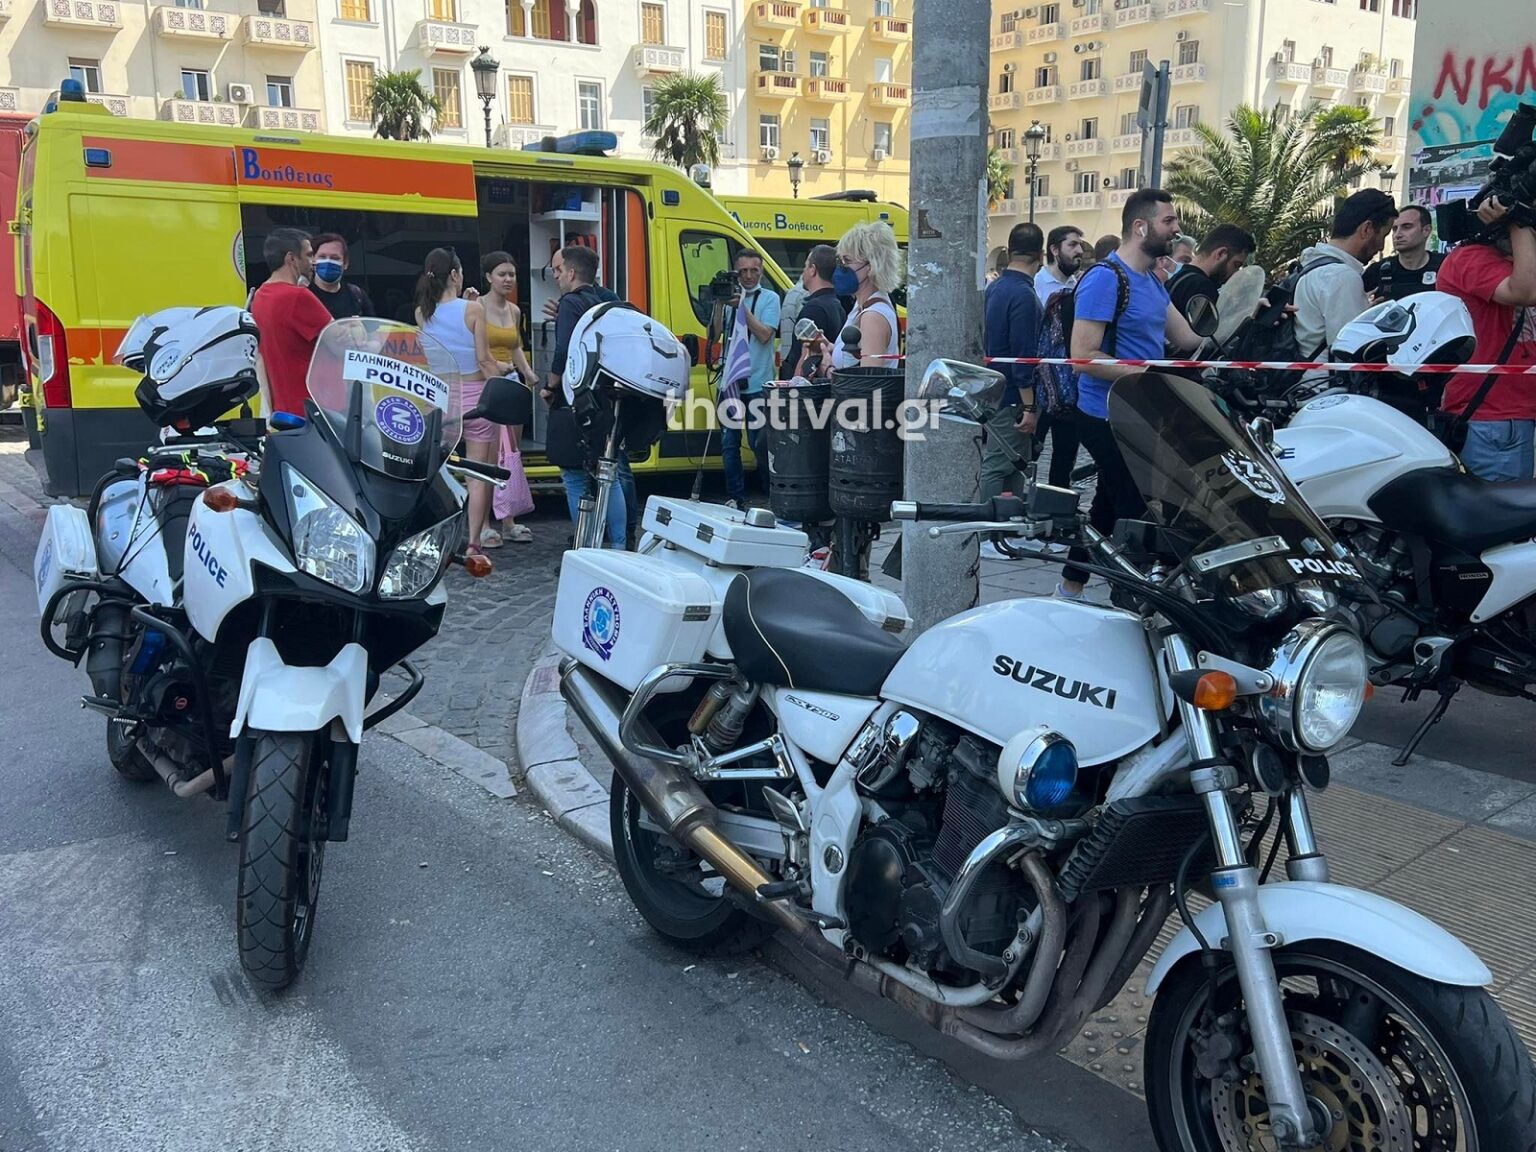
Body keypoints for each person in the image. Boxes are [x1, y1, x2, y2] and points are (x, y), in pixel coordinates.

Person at [1060, 189, 1206, 600]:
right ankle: (1132, 600)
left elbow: (1188, 338)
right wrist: (1149, 373)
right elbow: (1083, 356)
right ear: (1140, 227)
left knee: (1107, 505)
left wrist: (1249, 310)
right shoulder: (1105, 279)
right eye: (1168, 221)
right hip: (1104, 414)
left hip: (1139, 412)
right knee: (1137, 512)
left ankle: (1070, 588)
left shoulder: (1151, 281)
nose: (1176, 228)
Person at [1436, 197, 1536, 481]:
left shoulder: (1518, 261)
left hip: (1515, 416)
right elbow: (1525, 292)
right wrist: (1519, 221)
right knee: (1507, 509)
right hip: (1494, 421)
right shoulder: (1470, 257)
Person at [543, 243, 634, 547]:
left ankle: (584, 548)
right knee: (608, 475)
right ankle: (619, 545)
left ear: (571, 273)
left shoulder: (570, 303)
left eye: (559, 271)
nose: (557, 277)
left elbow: (563, 351)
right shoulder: (604, 303)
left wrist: (550, 386)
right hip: (603, 399)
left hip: (575, 400)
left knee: (574, 478)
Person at [415, 249, 504, 557]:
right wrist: (502, 383)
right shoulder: (474, 310)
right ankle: (474, 543)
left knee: (435, 472)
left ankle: (432, 536)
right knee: (478, 476)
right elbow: (484, 359)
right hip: (475, 395)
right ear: (454, 275)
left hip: (439, 397)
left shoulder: (421, 313)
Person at [980, 223, 1044, 559]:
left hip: (995, 388)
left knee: (1016, 462)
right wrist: (1029, 406)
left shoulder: (996, 288)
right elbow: (1024, 355)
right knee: (998, 463)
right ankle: (988, 535)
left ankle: (1011, 528)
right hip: (1013, 395)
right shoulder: (1023, 295)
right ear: (1041, 254)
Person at [1293, 189, 1398, 365]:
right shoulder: (1342, 276)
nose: (1381, 247)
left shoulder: (1310, 265)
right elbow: (1352, 349)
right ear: (1367, 229)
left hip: (1302, 377)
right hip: (1325, 380)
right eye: (1383, 236)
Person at [479, 250, 538, 545]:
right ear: (488, 277)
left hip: (511, 385)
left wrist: (527, 371)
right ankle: (483, 523)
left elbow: (515, 346)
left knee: (510, 456)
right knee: (488, 457)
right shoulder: (476, 307)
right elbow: (474, 348)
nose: (507, 279)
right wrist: (495, 365)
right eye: (501, 274)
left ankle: (508, 520)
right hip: (487, 386)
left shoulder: (514, 311)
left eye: (512, 274)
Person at [250, 228, 331, 419]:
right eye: (309, 255)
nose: (314, 262)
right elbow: (341, 339)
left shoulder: (261, 295)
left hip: (283, 410)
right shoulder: (297, 296)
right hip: (312, 411)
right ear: (291, 259)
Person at [720, 249, 780, 510]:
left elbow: (765, 335)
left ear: (761, 271)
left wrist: (742, 308)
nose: (748, 276)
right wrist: (718, 304)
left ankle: (770, 493)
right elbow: (714, 334)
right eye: (743, 271)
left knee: (760, 444)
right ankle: (736, 497)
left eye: (753, 270)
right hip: (730, 382)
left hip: (758, 384)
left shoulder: (770, 298)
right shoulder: (729, 300)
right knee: (729, 444)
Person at [813, 221, 903, 369]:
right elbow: (854, 359)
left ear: (871, 266)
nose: (840, 267)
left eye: (847, 260)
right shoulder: (862, 306)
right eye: (840, 260)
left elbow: (867, 378)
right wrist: (830, 347)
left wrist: (827, 369)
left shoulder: (873, 316)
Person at [1168, 224, 1257, 329]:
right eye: (1236, 265)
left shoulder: (1179, 277)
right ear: (1221, 254)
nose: (1235, 273)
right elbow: (1212, 336)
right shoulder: (1203, 287)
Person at [1364, 205, 1445, 302]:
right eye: (1395, 229)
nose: (1398, 235)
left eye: (1407, 227)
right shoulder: (1377, 271)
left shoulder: (1446, 266)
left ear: (1426, 230)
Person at [786, 244, 846, 377]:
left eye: (805, 266)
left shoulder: (814, 309)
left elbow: (805, 358)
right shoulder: (837, 304)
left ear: (813, 270)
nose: (803, 271)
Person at [308, 233, 375, 321]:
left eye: (335, 258)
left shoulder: (357, 295)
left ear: (345, 263)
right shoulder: (303, 295)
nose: (328, 261)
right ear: (313, 260)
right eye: (322, 257)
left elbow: (371, 327)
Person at [1035, 226, 1086, 307]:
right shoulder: (1037, 285)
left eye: (1080, 245)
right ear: (1054, 250)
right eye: (1072, 244)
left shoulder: (1078, 284)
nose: (1080, 251)